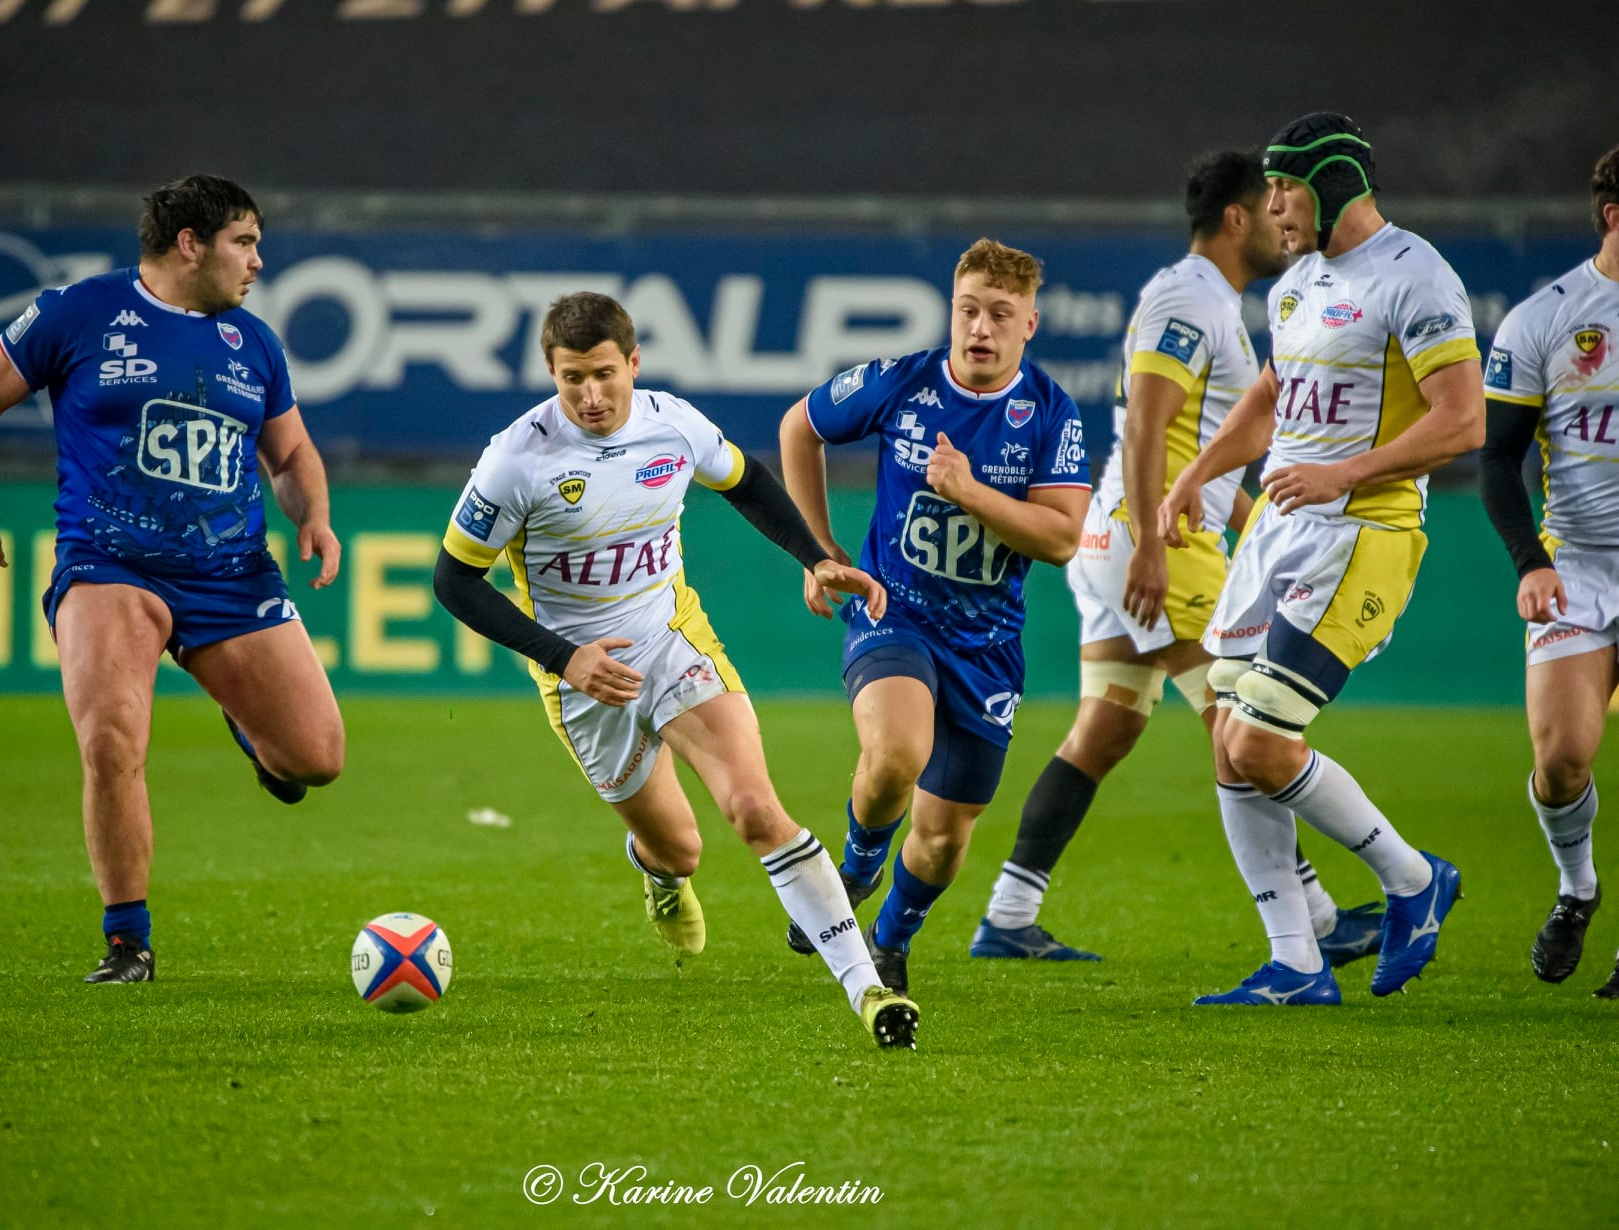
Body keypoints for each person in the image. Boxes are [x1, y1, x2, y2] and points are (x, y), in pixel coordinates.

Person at [430, 291, 920, 1048]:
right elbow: (453, 581)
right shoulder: (515, 460)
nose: (590, 396)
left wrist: (816, 558)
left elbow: (747, 481)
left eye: (603, 374)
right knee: (679, 847)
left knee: (756, 809)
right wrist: (567, 659)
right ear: (550, 375)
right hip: (585, 678)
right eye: (570, 380)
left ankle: (870, 993)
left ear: (633, 363)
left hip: (672, 639)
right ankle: (659, 876)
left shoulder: (673, 424)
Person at [971, 151, 1384, 967]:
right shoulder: (1188, 296)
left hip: (1134, 539)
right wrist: (1154, 549)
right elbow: (1148, 423)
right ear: (1236, 218)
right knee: (1244, 725)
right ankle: (1322, 922)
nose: (1281, 221)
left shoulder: (1213, 302)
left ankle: (1009, 914)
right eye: (1268, 210)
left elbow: (1199, 451)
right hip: (1151, 545)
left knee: (1106, 729)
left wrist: (1254, 522)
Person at [0, 175, 345, 984]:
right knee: (111, 742)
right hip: (108, 562)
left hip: (230, 572)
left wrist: (312, 515)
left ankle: (247, 722)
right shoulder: (78, 312)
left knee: (317, 759)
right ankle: (128, 941)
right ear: (189, 243)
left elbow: (290, 453)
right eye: (245, 242)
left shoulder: (254, 344)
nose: (259, 262)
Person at [1157, 113, 1483, 1005]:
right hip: (1282, 529)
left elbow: (1463, 420)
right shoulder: (1296, 282)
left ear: (1334, 184)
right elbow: (1271, 390)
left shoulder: (1416, 276)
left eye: (1286, 188)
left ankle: (1414, 881)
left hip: (1364, 529)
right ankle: (1297, 964)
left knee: (1260, 737)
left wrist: (1343, 471)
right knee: (1228, 742)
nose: (1271, 208)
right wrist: (1197, 473)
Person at [777, 238, 1091, 996]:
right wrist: (817, 550)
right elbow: (799, 428)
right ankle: (852, 871)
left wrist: (971, 491)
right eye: (968, 310)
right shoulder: (901, 381)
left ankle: (890, 938)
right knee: (895, 754)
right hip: (895, 612)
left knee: (946, 837)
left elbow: (1062, 537)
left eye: (999, 315)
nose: (980, 328)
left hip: (987, 647)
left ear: (1030, 326)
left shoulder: (1050, 412)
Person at [1479, 143, 1619, 999]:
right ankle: (1578, 890)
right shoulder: (1548, 317)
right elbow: (1497, 461)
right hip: (1579, 569)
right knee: (1564, 756)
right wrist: (1530, 561)